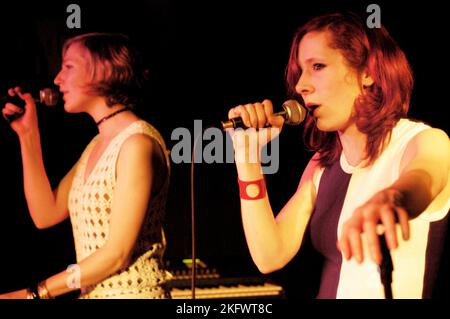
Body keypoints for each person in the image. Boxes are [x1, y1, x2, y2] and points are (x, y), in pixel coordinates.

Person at [226, 12, 450, 298]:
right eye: (301, 71)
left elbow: (425, 177)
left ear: (368, 72)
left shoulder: (422, 141)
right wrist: (247, 158)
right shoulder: (323, 164)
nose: (300, 86)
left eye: (317, 66)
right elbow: (269, 255)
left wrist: (391, 198)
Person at [0, 33, 171, 299]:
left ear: (103, 70)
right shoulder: (96, 145)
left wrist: (36, 293)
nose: (57, 79)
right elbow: (45, 213)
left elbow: (117, 254)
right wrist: (28, 135)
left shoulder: (137, 143)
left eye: (68, 67)